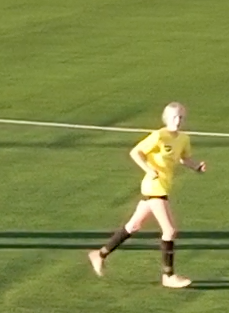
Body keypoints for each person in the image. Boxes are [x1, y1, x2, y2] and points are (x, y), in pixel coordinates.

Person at [87, 105, 206, 288]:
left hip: (164, 187)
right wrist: (149, 170)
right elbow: (136, 152)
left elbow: (183, 158)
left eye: (181, 117)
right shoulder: (159, 136)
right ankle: (168, 276)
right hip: (154, 187)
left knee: (133, 226)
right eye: (174, 117)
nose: (178, 121)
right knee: (170, 231)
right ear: (166, 118)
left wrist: (197, 167)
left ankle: (100, 254)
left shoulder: (183, 139)